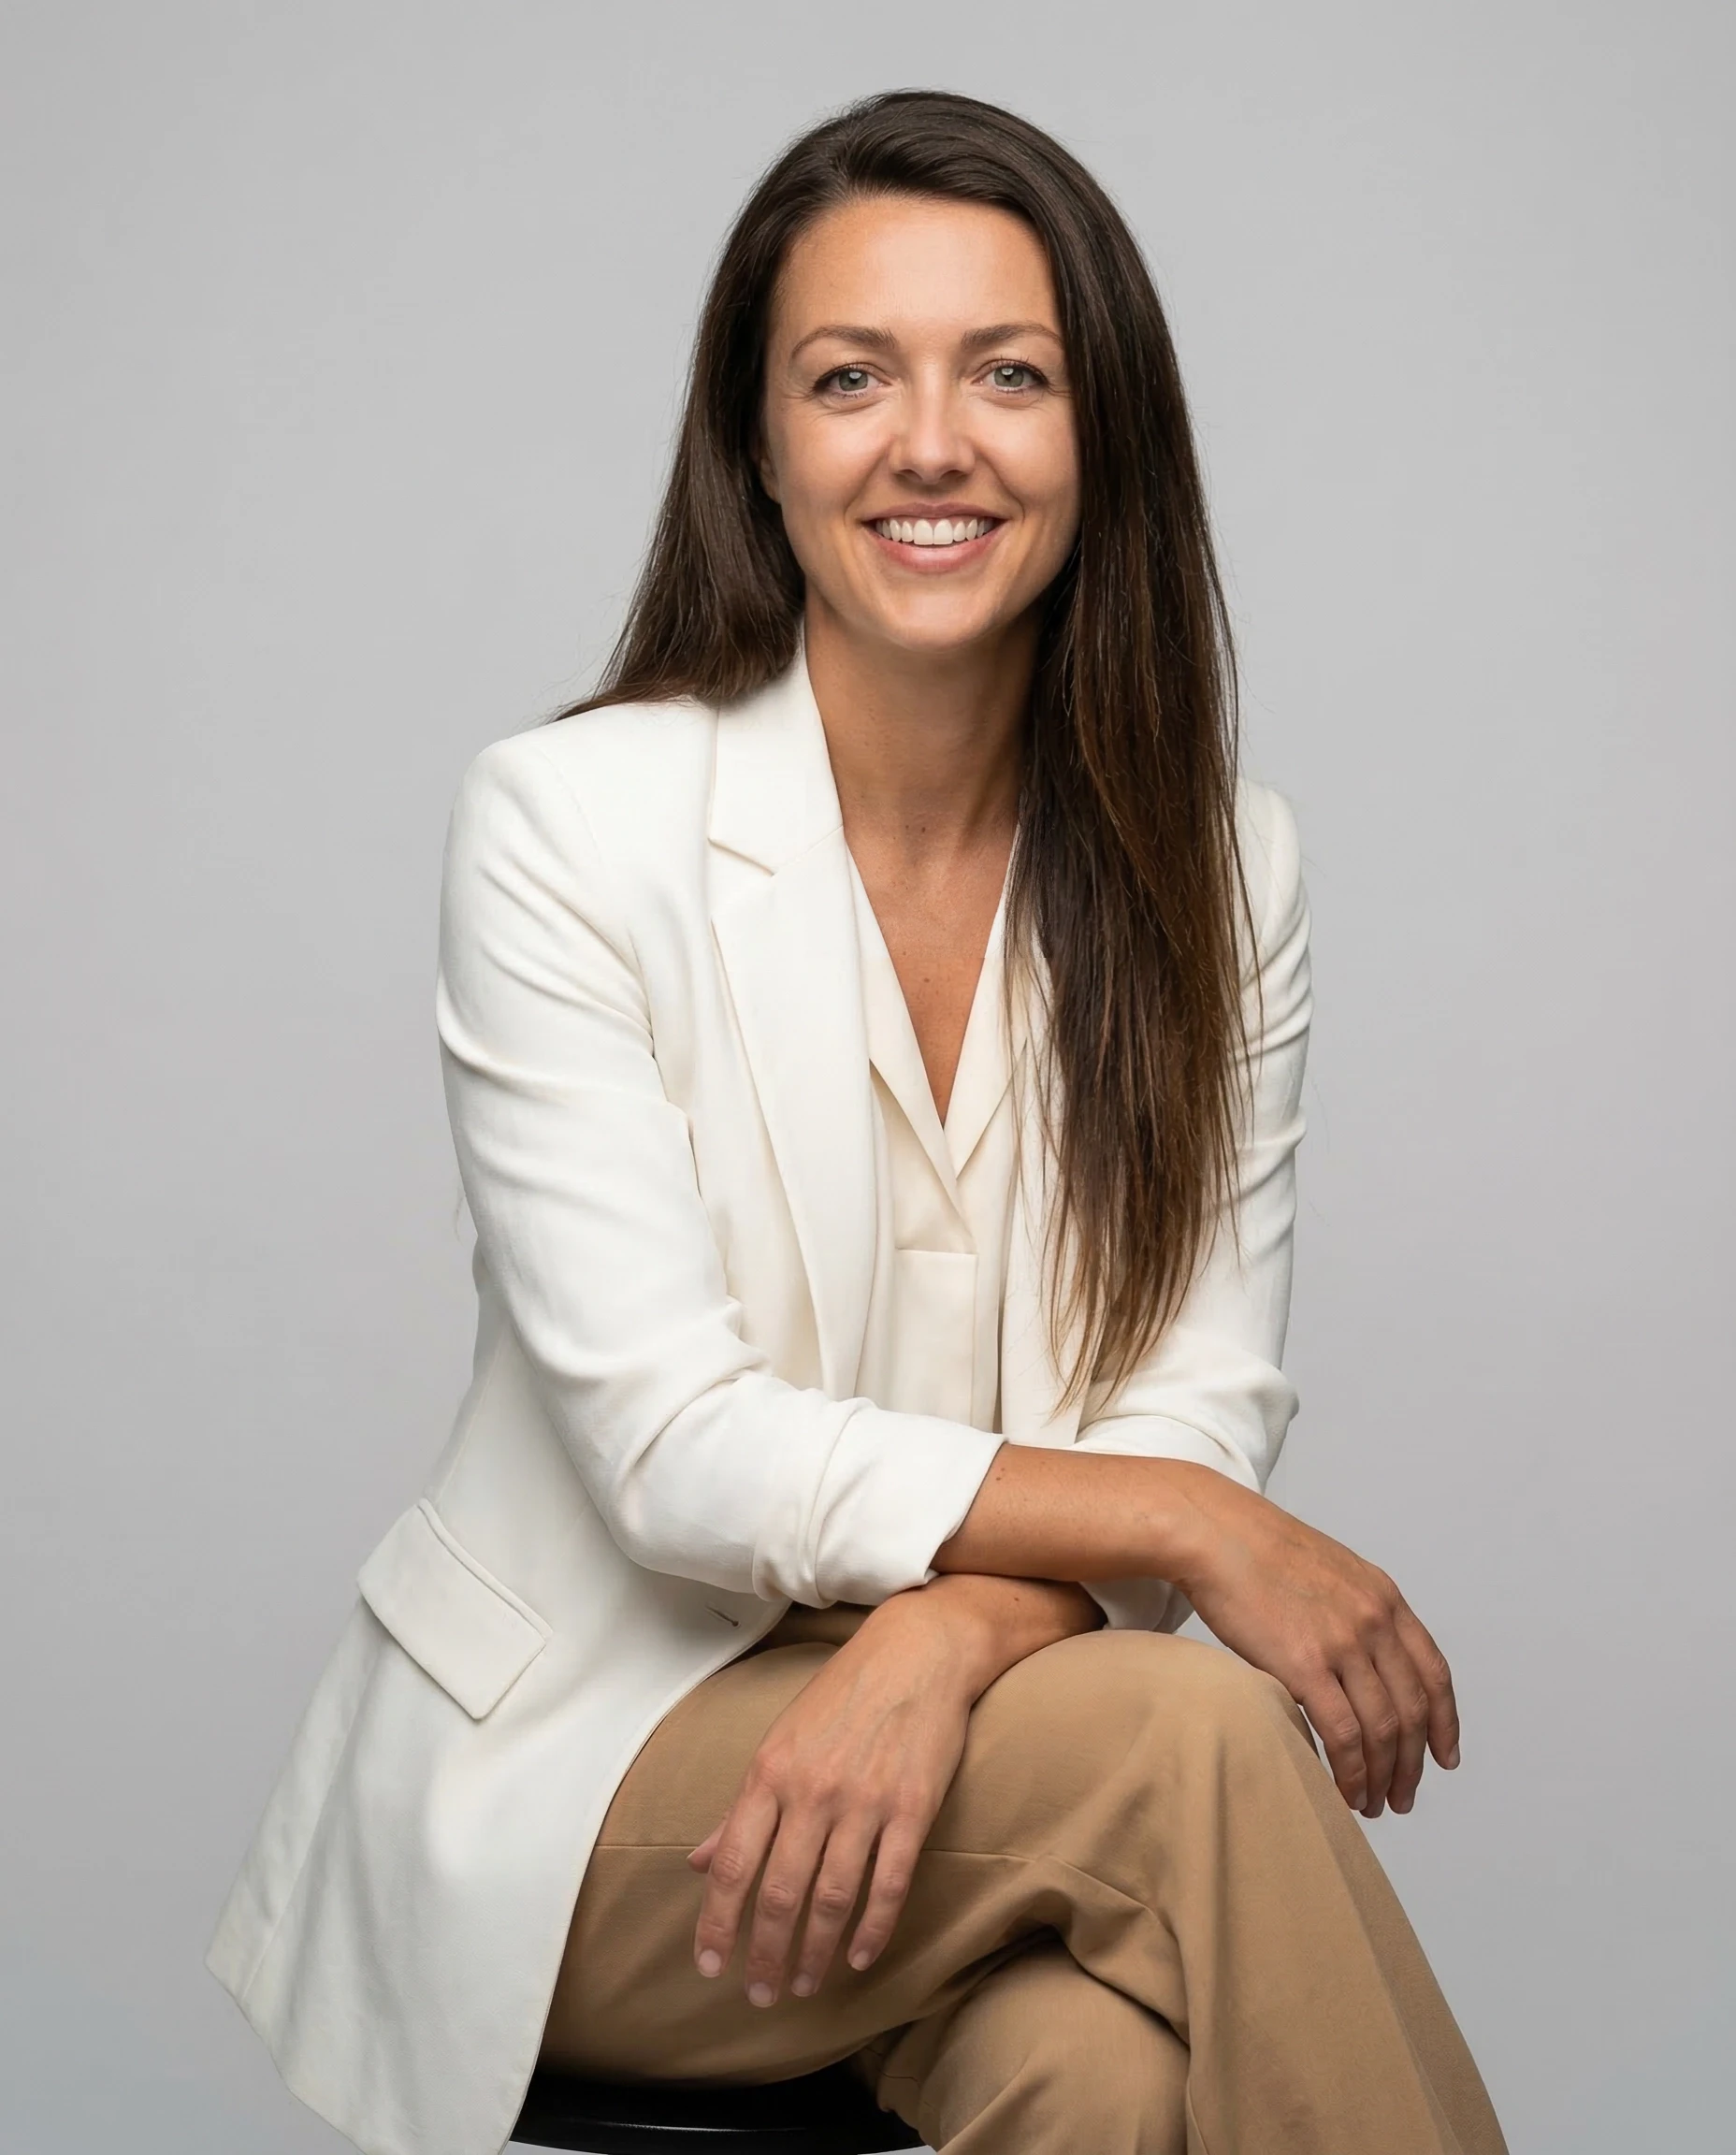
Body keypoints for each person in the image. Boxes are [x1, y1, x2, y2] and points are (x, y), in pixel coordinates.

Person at [207, 89, 1508, 2155]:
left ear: (1108, 441)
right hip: (591, 1793)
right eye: (849, 379)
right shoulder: (567, 826)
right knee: (1192, 1747)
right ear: (759, 446)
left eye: (1010, 373)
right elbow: (674, 1451)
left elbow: (1190, 1396)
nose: (931, 443)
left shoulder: (1217, 869)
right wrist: (1181, 1537)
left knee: (1105, 2085)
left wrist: (943, 1636)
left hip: (977, 1747)